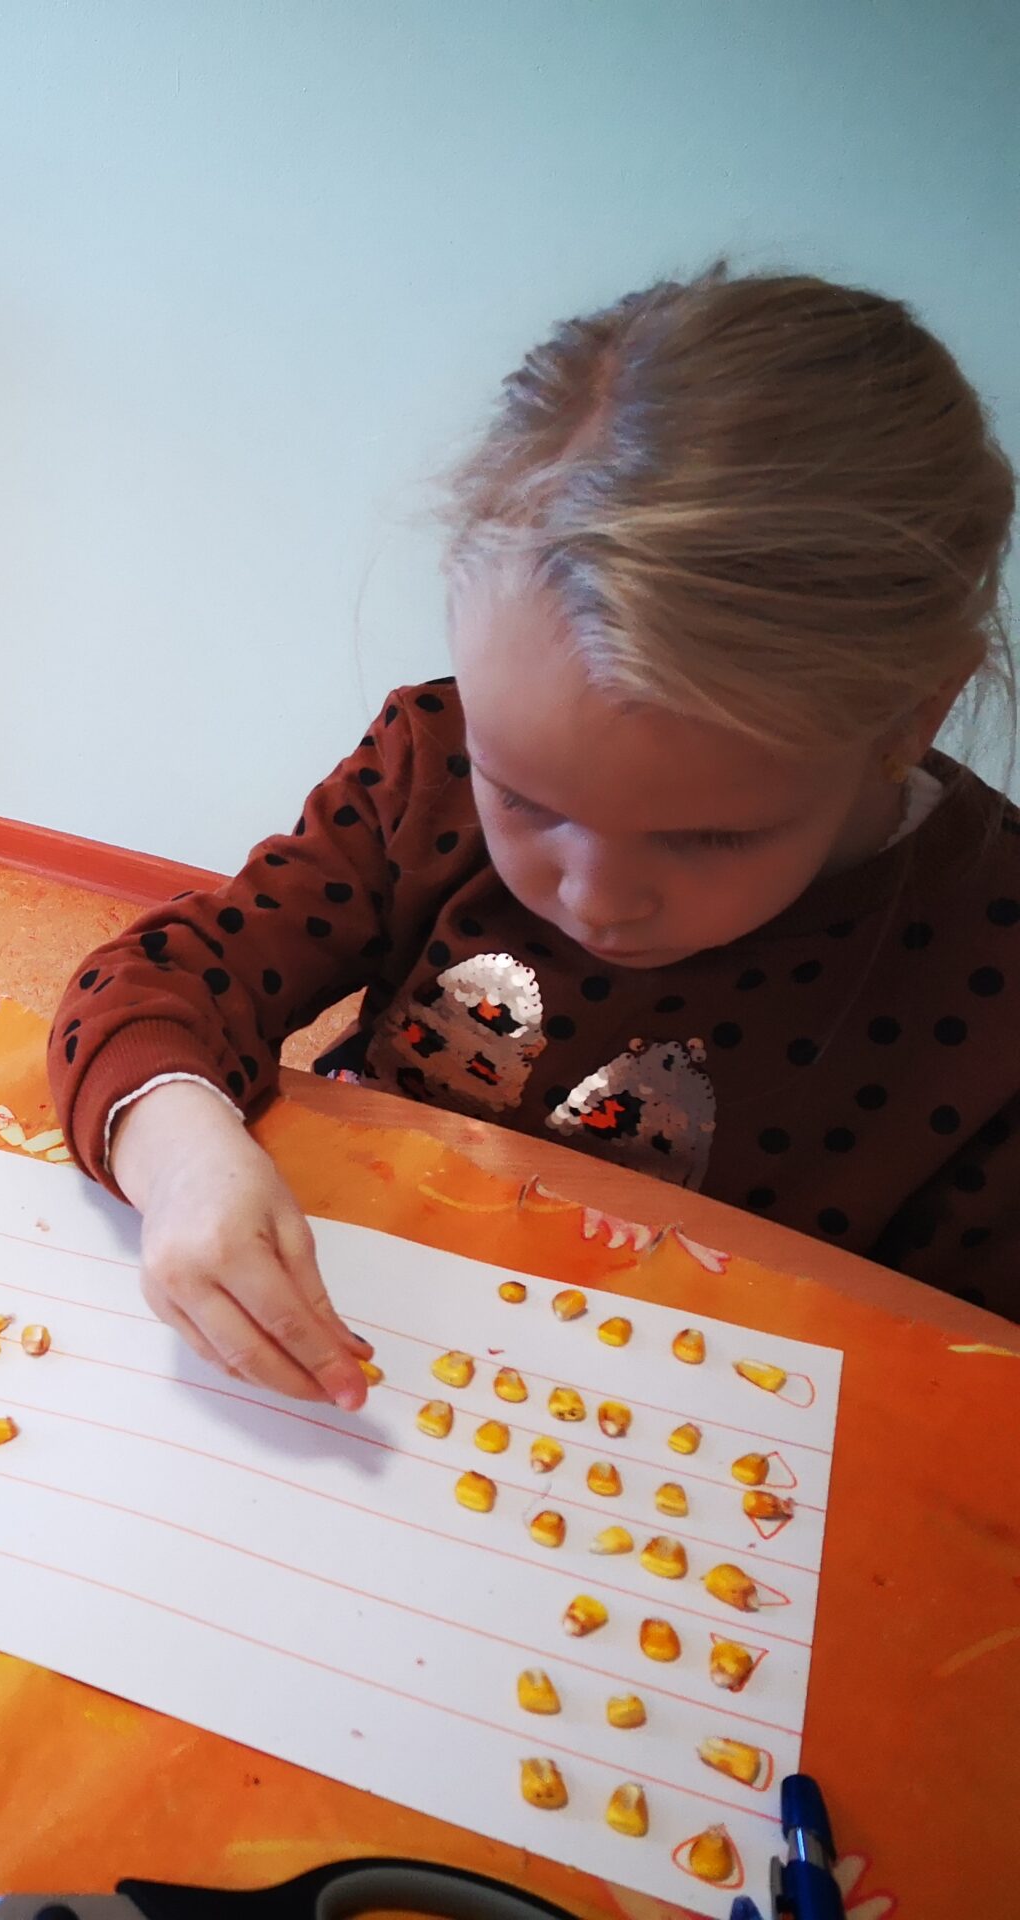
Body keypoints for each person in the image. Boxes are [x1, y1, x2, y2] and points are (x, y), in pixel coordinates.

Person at [50, 268, 1019, 1407]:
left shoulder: (991, 956)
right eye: (525, 800)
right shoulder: (433, 762)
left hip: (696, 1426)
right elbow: (158, 982)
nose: (597, 898)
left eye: (709, 839)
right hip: (368, 1335)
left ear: (910, 714)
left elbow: (963, 1370)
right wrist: (181, 1158)